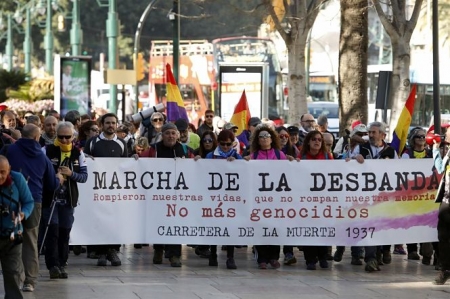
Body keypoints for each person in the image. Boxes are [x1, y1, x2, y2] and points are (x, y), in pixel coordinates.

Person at [2, 124, 63, 292]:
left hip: (11, 199)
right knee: (30, 240)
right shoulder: (42, 157)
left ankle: (17, 277)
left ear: (21, 135)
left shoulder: (10, 150)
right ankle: (30, 280)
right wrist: (60, 178)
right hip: (34, 201)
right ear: (37, 137)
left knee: (12, 240)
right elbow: (52, 184)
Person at [141, 123, 194, 267]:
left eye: (173, 133)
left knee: (176, 223)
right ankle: (158, 249)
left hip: (178, 196)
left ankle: (175, 255)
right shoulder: (154, 149)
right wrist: (135, 158)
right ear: (162, 135)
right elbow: (140, 162)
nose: (170, 136)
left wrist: (198, 161)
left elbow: (196, 165)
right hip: (158, 195)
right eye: (167, 133)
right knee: (159, 222)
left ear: (177, 135)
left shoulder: (185, 149)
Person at [42, 121, 88, 279]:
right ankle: (53, 265)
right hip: (51, 199)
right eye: (60, 137)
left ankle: (62, 263)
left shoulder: (78, 153)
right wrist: (53, 177)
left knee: (64, 232)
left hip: (68, 200)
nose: (64, 140)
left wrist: (71, 174)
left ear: (73, 137)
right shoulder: (46, 150)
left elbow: (84, 177)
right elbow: (40, 172)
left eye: (67, 137)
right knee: (52, 232)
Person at [351, 121, 397, 272]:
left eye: (374, 132)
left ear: (383, 135)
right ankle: (370, 258)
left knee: (381, 224)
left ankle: (380, 253)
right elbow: (347, 164)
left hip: (384, 196)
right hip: (365, 196)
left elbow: (399, 171)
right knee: (370, 224)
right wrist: (354, 159)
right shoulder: (361, 148)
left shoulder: (391, 152)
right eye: (369, 132)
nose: (370, 135)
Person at [84, 113, 128, 267]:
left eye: (113, 123)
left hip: (115, 190)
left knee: (115, 220)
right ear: (102, 124)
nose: (111, 125)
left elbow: (126, 166)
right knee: (100, 219)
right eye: (108, 123)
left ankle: (113, 250)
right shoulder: (92, 142)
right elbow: (84, 162)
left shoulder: (122, 143)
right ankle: (101, 251)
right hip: (97, 190)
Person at [245, 125, 286, 269]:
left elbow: (288, 170)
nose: (264, 139)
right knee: (260, 226)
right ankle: (261, 258)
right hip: (259, 198)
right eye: (261, 136)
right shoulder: (254, 155)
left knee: (275, 226)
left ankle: (274, 257)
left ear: (271, 138)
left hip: (275, 198)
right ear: (257, 140)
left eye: (266, 136)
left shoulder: (279, 154)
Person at [201, 130, 241, 269]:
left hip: (231, 198)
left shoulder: (237, 156)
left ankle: (230, 257)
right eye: (223, 144)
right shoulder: (210, 156)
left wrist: (237, 163)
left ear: (232, 144)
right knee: (214, 225)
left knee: (230, 226)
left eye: (228, 144)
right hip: (214, 197)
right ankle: (213, 253)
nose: (225, 147)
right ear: (218, 143)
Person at [0, 155, 34, 299]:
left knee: (13, 274)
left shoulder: (17, 179)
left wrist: (22, 215)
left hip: (12, 236)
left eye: (3, 172)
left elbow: (28, 202)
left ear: (9, 170)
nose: (0, 175)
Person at [400, 127, 434, 264]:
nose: (421, 138)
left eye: (423, 136)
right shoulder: (406, 154)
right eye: (418, 136)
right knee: (412, 221)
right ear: (412, 139)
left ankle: (427, 252)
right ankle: (412, 249)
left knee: (427, 222)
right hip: (410, 194)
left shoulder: (431, 154)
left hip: (427, 195)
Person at [300, 130, 332, 270]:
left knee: (323, 228)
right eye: (314, 139)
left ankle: (323, 256)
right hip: (307, 200)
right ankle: (310, 259)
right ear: (308, 141)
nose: (317, 141)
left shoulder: (327, 156)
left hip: (323, 200)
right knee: (309, 230)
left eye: (319, 139)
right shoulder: (302, 157)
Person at [432, 126, 450, 285]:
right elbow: (440, 168)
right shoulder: (449, 152)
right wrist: (435, 151)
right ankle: (445, 269)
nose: (446, 134)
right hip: (446, 201)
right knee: (443, 236)